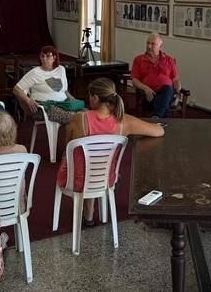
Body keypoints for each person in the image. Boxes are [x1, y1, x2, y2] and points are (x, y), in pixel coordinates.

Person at [58, 78, 164, 226]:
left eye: (90, 96)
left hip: (74, 179)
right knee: (100, 167)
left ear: (95, 98)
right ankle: (94, 207)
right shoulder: (124, 121)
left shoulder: (78, 119)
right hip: (107, 178)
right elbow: (159, 131)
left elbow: (67, 148)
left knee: (83, 162)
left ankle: (88, 214)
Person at [14, 45, 78, 125]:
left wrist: (72, 99)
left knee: (84, 113)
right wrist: (28, 100)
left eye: (48, 56)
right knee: (74, 117)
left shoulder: (61, 69)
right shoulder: (35, 73)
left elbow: (64, 90)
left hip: (63, 104)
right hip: (43, 108)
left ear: (54, 58)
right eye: (42, 56)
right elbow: (16, 89)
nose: (44, 59)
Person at [131, 33, 182, 118]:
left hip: (167, 92)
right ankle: (161, 117)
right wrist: (145, 88)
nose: (149, 46)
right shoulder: (139, 60)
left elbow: (175, 79)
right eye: (148, 43)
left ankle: (156, 116)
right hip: (150, 95)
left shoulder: (169, 60)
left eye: (153, 44)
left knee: (167, 89)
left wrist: (178, 88)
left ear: (160, 46)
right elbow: (134, 80)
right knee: (165, 103)